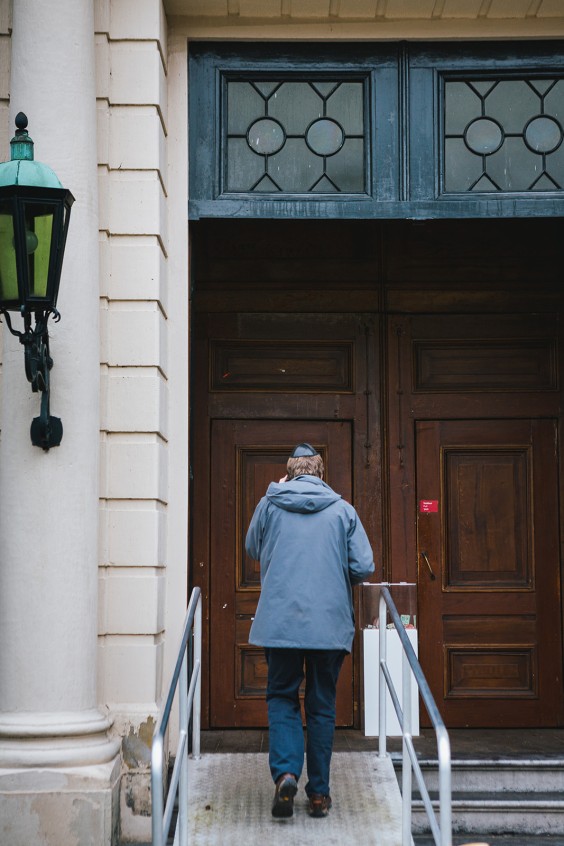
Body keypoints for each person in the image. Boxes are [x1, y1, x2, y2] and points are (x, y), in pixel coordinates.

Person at [245, 443, 375, 819]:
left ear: (290, 472)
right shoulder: (342, 510)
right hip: (329, 624)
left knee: (282, 696)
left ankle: (286, 774)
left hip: (280, 622)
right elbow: (364, 565)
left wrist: (274, 490)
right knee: (321, 706)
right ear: (320, 474)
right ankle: (318, 795)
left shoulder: (270, 504)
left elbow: (253, 546)